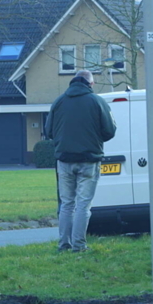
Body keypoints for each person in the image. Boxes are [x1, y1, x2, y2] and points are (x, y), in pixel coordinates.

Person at [45, 69, 117, 252]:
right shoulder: (97, 101)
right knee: (83, 204)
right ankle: (79, 245)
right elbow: (109, 131)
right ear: (91, 84)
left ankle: (63, 244)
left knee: (66, 204)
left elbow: (48, 131)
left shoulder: (59, 102)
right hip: (89, 160)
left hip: (64, 160)